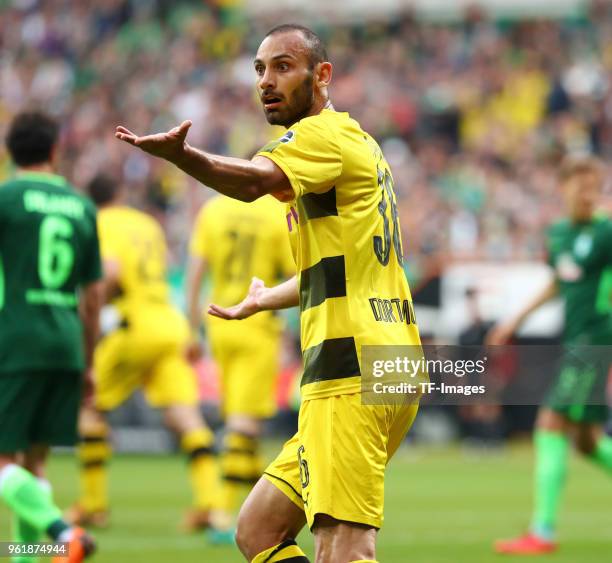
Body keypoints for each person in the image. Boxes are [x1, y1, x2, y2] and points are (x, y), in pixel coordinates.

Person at [116, 23, 422, 562]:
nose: (266, 81)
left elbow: (254, 181)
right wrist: (266, 299)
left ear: (321, 75)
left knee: (344, 546)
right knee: (258, 530)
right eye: (260, 69)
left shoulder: (316, 137)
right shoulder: (360, 143)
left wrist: (182, 157)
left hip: (350, 367)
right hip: (389, 356)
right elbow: (341, 269)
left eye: (283, 66)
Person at [66, 173, 226, 537]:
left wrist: (89, 306)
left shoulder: (98, 222)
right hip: (168, 324)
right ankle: (212, 506)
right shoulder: (147, 224)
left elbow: (111, 272)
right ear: (121, 192)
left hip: (133, 325)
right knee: (185, 416)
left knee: (89, 407)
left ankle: (93, 505)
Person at [489, 157, 612, 555]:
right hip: (575, 338)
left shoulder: (607, 229)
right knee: (588, 443)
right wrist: (514, 321)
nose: (587, 193)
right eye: (579, 185)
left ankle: (542, 531)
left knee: (550, 421)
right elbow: (557, 282)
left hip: (595, 340)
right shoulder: (558, 234)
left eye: (593, 185)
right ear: (563, 189)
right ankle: (541, 530)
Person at [0, 111, 99, 563]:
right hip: (65, 344)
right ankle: (25, 558)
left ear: (9, 152)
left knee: (4, 464)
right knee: (34, 465)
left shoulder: (7, 198)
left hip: (15, 341)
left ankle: (62, 533)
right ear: (55, 151)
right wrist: (89, 360)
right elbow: (93, 295)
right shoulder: (81, 206)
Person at [186, 193, 295, 528]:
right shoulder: (276, 213)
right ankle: (221, 512)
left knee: (243, 421)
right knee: (243, 422)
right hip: (255, 323)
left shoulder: (213, 209)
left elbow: (195, 273)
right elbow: (297, 273)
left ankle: (259, 500)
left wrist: (192, 328)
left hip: (218, 323)